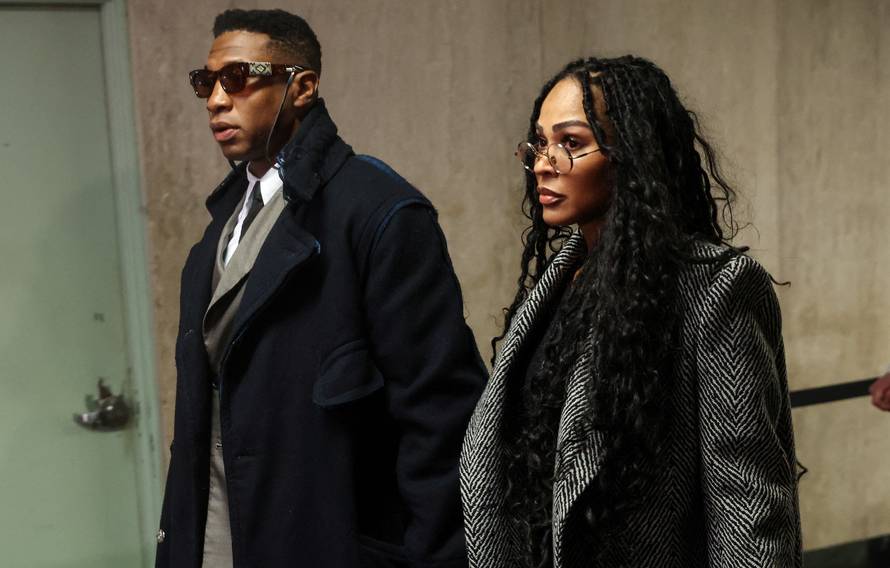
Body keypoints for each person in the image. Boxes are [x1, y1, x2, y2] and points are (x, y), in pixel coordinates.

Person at [156, 9, 486, 568]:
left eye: (237, 78)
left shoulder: (379, 211)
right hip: (220, 535)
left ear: (301, 86)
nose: (215, 99)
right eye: (205, 82)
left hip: (328, 540)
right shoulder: (223, 224)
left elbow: (440, 417)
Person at [460, 56, 802, 567]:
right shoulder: (556, 284)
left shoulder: (713, 287)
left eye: (571, 142)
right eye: (539, 142)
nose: (543, 162)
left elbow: (748, 506)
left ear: (632, 153)